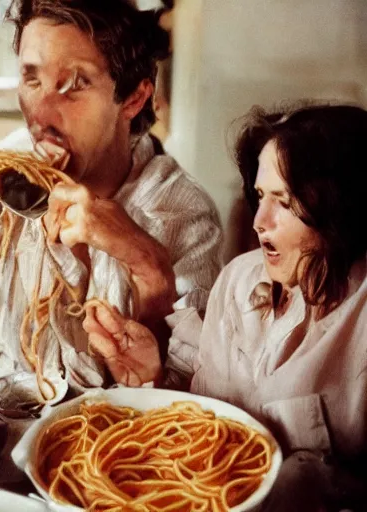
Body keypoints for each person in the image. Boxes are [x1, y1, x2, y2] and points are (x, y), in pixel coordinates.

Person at [0, 0, 222, 398]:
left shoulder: (185, 214)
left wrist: (146, 261)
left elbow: (183, 388)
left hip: (117, 430)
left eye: (75, 83)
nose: (41, 114)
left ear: (133, 98)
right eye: (32, 79)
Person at [83, 104, 367, 510]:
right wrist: (154, 375)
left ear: (339, 208)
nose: (259, 221)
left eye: (284, 202)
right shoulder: (237, 281)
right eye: (260, 196)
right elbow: (206, 421)